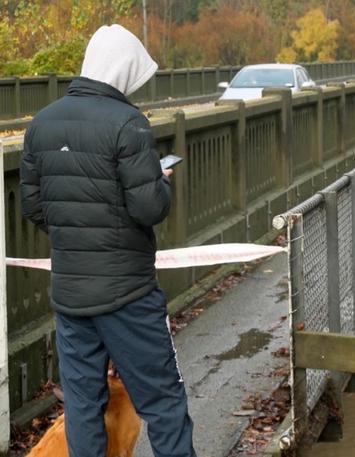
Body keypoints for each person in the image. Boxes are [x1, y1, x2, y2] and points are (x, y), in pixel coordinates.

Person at [20, 24, 196, 457]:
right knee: (163, 399)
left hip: (72, 295)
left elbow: (34, 205)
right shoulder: (129, 124)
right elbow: (148, 208)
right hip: (129, 295)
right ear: (122, 70)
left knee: (83, 405)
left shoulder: (41, 124)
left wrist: (79, 232)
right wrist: (159, 180)